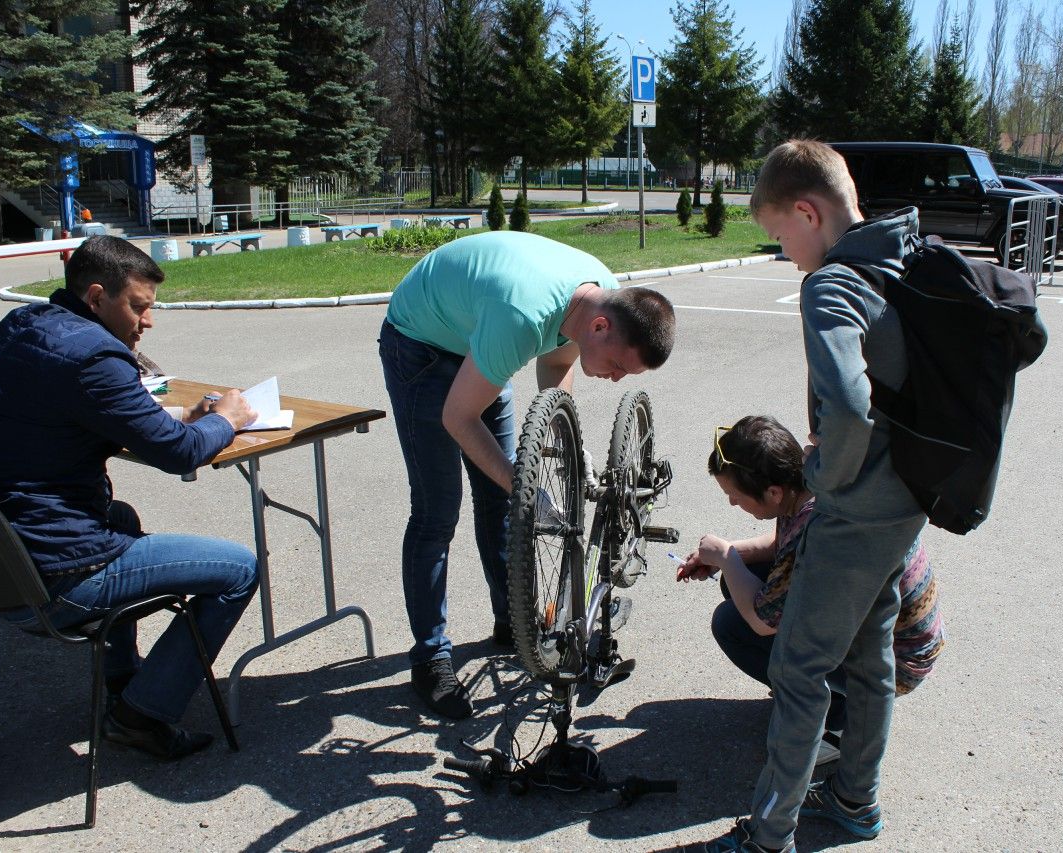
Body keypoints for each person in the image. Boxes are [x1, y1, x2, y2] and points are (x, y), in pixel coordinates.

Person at [700, 140, 929, 853]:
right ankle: (856, 801)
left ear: (808, 211)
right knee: (868, 659)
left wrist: (823, 479)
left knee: (799, 671)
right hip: (908, 502)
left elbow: (851, 411)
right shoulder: (906, 254)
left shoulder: (831, 283)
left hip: (859, 509)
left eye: (778, 234)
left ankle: (767, 840)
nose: (784, 250)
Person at [0, 235, 261, 761]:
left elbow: (77, 414)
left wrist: (163, 420)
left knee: (120, 516)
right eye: (139, 307)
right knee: (239, 570)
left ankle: (124, 681)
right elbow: (179, 454)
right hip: (51, 575)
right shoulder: (93, 356)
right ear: (96, 297)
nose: (148, 322)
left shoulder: (24, 327)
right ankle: (141, 715)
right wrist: (225, 420)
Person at [378, 230, 675, 719]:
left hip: (480, 333)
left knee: (501, 499)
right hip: (422, 346)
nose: (617, 378)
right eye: (619, 366)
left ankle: (512, 623)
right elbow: (458, 418)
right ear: (601, 326)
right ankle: (430, 659)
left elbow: (558, 362)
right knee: (437, 511)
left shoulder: (601, 297)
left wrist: (559, 452)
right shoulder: (521, 316)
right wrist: (527, 486)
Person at [677, 416, 944, 766]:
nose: (731, 504)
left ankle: (836, 725)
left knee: (731, 623)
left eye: (734, 496)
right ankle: (820, 693)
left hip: (896, 660)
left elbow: (762, 621)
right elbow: (779, 545)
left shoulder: (816, 525)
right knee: (739, 579)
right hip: (892, 635)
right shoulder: (809, 481)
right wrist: (728, 555)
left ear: (772, 492)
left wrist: (726, 556)